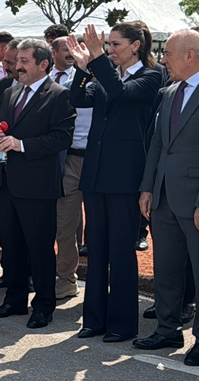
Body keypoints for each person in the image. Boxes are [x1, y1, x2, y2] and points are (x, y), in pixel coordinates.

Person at [134, 30, 199, 366]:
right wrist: (148, 188)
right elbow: (158, 144)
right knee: (166, 269)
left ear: (190, 55)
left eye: (168, 54)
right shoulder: (169, 92)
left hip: (198, 203)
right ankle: (167, 329)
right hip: (164, 198)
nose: (163, 59)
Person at [65, 21, 163, 342]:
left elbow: (121, 93)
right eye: (108, 45)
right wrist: (83, 68)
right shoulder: (106, 75)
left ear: (136, 46)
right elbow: (76, 98)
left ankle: (122, 323)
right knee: (96, 249)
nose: (110, 50)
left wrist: (97, 60)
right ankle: (94, 319)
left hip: (124, 178)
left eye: (116, 44)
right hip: (95, 175)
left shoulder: (150, 76)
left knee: (121, 251)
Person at [0, 39, 76, 328]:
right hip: (9, 183)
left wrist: (21, 145)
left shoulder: (59, 95)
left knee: (39, 248)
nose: (18, 66)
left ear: (43, 64)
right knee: (12, 245)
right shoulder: (10, 93)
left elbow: (62, 137)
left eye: (24, 61)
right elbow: (2, 127)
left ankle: (44, 305)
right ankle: (14, 299)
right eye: (17, 61)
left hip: (38, 186)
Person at [47, 36, 88, 300]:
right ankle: (65, 277)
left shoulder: (106, 83)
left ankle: (101, 281)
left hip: (97, 160)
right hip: (67, 158)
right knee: (63, 223)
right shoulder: (59, 83)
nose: (75, 54)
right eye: (70, 49)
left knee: (101, 224)